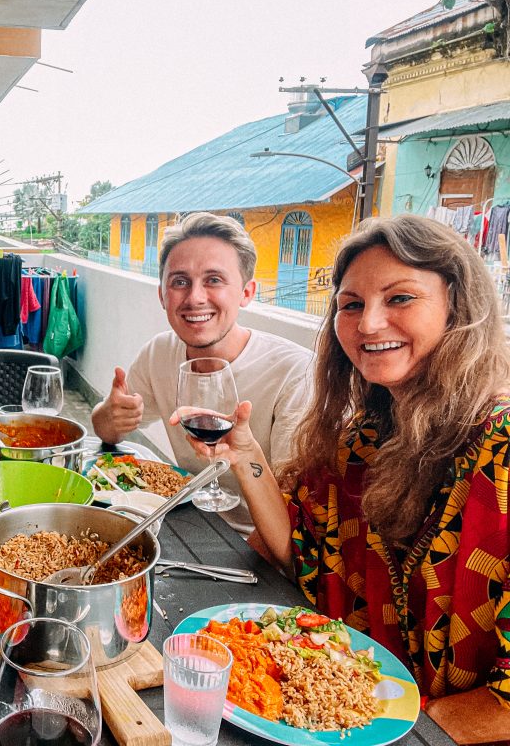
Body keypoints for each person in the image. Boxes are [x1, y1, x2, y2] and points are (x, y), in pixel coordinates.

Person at [190, 215, 510, 743]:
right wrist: (243, 451)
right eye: (352, 304)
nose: (368, 325)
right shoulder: (364, 438)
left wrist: (381, 727)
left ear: (459, 306)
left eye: (400, 298)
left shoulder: (501, 450)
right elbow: (298, 551)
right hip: (339, 715)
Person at [91, 212, 312, 534]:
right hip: (186, 519)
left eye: (214, 280)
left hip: (260, 545)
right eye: (180, 282)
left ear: (247, 293)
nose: (194, 298)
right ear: (162, 295)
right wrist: (110, 417)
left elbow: (296, 513)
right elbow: (107, 432)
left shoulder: (294, 372)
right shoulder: (160, 352)